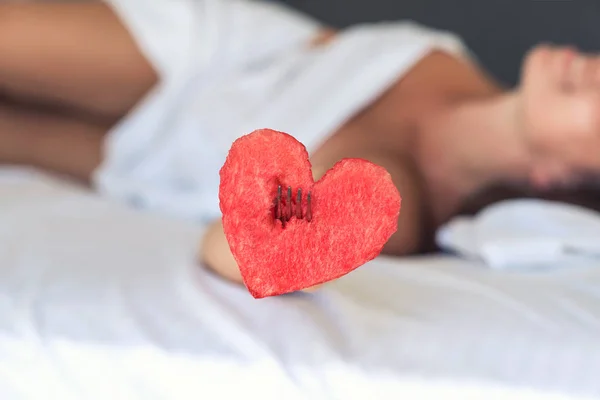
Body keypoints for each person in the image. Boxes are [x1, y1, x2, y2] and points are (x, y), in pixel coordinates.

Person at [0, 0, 599, 289]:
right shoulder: (462, 74)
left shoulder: (394, 199)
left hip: (166, 162)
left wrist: (287, 218)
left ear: (562, 178)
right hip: (215, 59)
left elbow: (247, 256)